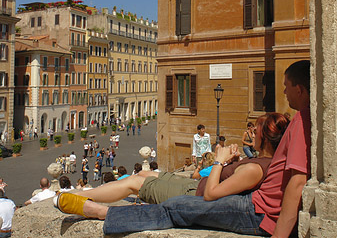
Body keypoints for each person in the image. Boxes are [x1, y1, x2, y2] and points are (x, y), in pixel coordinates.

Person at [55, 60, 310, 238]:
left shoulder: (298, 124)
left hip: (257, 211)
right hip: (250, 204)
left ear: (299, 89)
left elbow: (296, 183)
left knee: (176, 206)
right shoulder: (300, 122)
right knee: (152, 186)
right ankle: (96, 203)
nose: (284, 91)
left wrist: (221, 162)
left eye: (286, 86)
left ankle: (103, 213)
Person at [54, 112, 287, 216]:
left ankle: (83, 197)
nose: (251, 132)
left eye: (255, 130)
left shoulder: (255, 168)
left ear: (265, 136)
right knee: (147, 176)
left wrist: (219, 160)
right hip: (192, 187)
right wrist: (233, 161)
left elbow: (212, 193)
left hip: (194, 194)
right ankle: (84, 193)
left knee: (136, 181)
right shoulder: (259, 162)